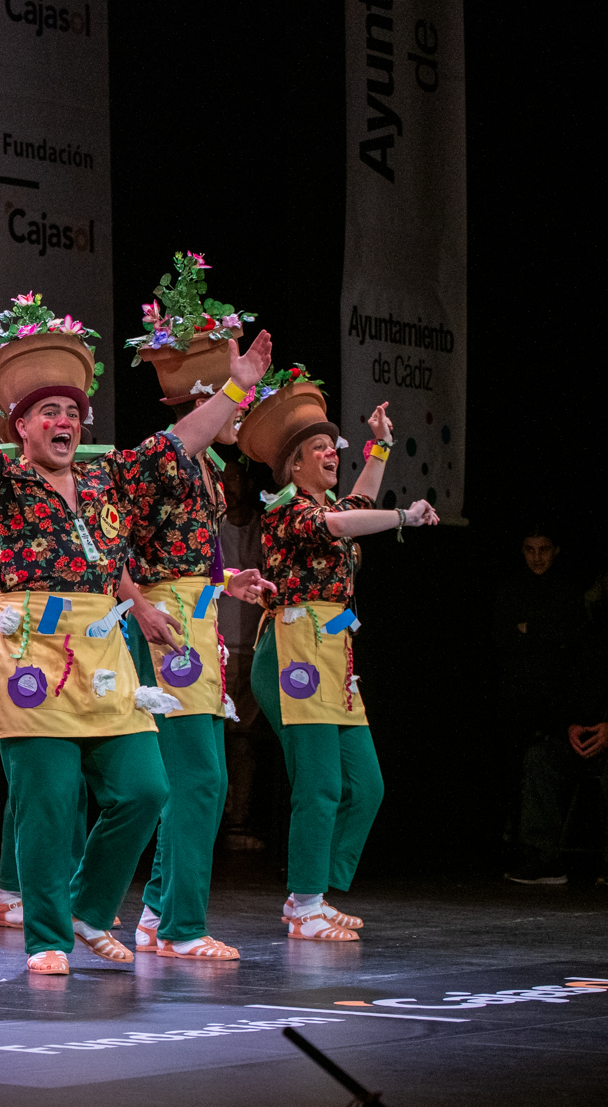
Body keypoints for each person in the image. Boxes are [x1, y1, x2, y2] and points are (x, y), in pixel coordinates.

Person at [0, 279, 243, 975]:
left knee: (145, 789)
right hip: (31, 653)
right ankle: (46, 938)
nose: (61, 421)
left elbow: (176, 442)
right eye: (45, 412)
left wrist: (238, 389)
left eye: (70, 412)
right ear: (20, 428)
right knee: (46, 802)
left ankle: (87, 908)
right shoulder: (4, 482)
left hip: (104, 653)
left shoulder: (107, 483)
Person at [239, 374, 437, 940]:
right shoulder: (286, 512)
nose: (331, 454)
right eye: (319, 449)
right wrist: (404, 518)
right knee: (320, 786)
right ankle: (305, 903)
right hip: (292, 654)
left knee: (365, 784)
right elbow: (343, 521)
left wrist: (380, 444)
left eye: (333, 447)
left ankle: (315, 891)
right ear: (293, 466)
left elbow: (358, 502)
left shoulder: (329, 508)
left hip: (335, 656)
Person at [119, 332, 277, 962]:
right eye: (237, 398)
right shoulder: (163, 454)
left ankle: (159, 914)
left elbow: (178, 555)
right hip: (167, 625)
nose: (245, 410)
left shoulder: (209, 472)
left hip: (197, 620)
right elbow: (111, 545)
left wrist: (227, 581)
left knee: (199, 779)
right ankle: (182, 926)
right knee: (200, 778)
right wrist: (139, 601)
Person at [497, 530, 603, 884]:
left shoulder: (568, 608)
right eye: (530, 549)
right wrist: (575, 725)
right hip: (579, 730)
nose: (537, 557)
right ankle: (544, 856)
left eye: (544, 550)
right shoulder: (587, 646)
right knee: (539, 758)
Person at [216, 460, 270, 851]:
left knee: (244, 739)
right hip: (215, 648)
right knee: (212, 736)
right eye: (224, 478)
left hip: (252, 645)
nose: (230, 485)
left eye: (236, 478)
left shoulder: (263, 528)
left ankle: (239, 823)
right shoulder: (211, 524)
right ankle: (212, 821)